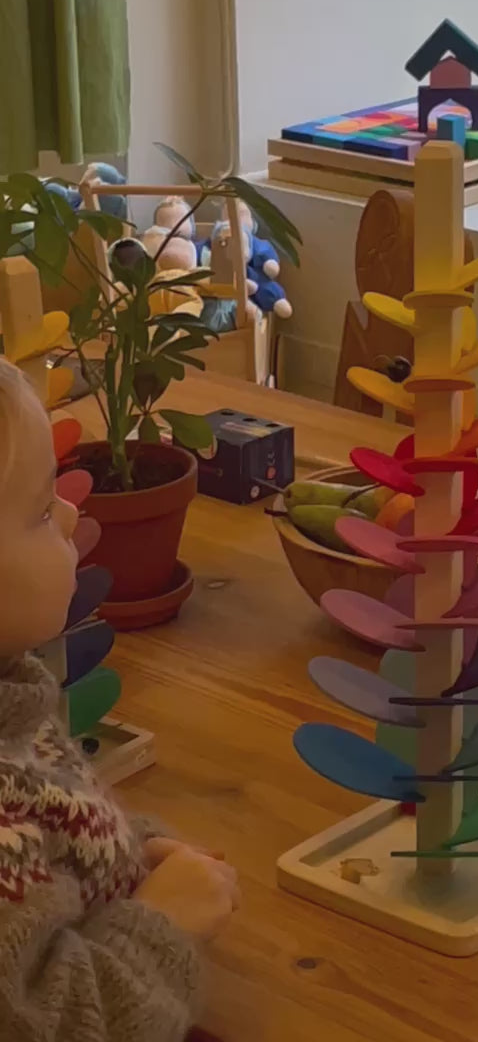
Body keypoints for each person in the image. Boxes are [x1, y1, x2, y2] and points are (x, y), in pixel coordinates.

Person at [0, 359, 238, 1040]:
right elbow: (56, 1023)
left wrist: (132, 853)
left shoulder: (10, 694)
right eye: (41, 512)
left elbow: (55, 825)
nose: (72, 513)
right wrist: (162, 924)